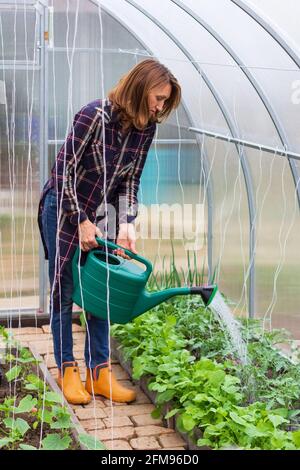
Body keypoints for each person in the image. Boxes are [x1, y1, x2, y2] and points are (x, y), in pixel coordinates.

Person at [38, 59, 181, 405]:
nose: (160, 107)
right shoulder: (94, 116)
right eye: (158, 98)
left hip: (101, 212)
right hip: (63, 206)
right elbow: (62, 173)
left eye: (165, 102)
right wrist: (80, 219)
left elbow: (130, 181)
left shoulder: (146, 128)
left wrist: (126, 223)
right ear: (140, 86)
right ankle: (67, 370)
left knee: (102, 291)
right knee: (65, 287)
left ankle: (99, 373)